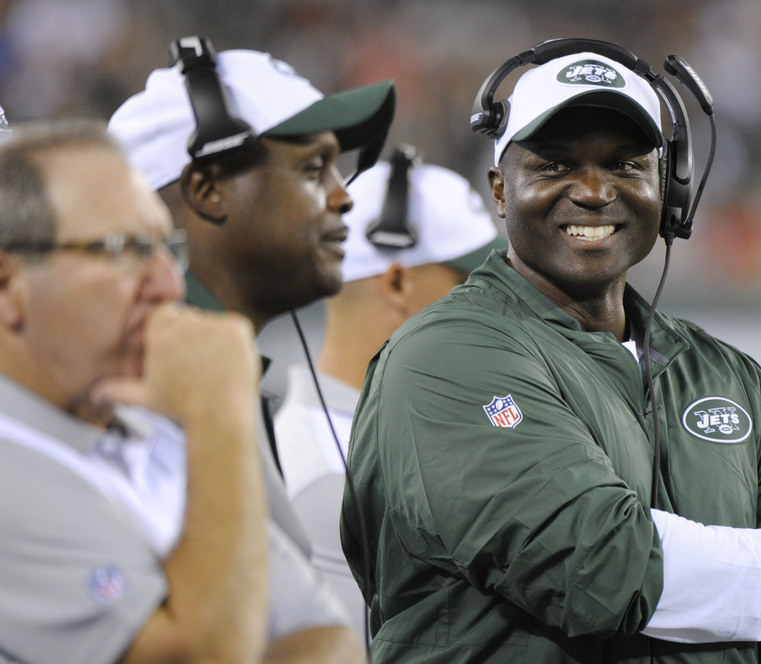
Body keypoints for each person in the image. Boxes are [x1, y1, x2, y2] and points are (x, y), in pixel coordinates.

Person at [339, 42, 761, 663]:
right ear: (500, 188)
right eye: (554, 166)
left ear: (670, 187)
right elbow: (594, 567)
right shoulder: (442, 359)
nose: (595, 191)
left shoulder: (731, 378)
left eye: (626, 164)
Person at [0, 120, 356, 662]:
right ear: (9, 286)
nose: (169, 285)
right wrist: (216, 414)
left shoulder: (149, 421)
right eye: (124, 249)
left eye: (166, 248)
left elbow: (326, 632)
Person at [108, 37, 396, 662]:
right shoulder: (133, 389)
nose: (344, 194)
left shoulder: (207, 370)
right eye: (312, 168)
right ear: (208, 190)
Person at [274, 143, 506, 640]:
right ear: (397, 283)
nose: (503, 307)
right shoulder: (325, 477)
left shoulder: (375, 439)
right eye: (477, 283)